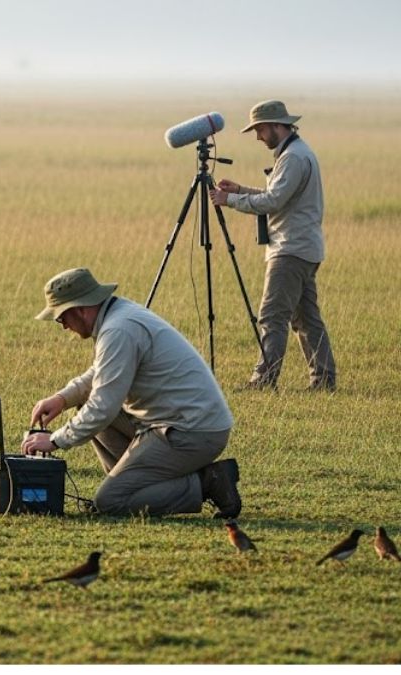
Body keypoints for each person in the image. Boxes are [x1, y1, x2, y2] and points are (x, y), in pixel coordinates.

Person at [20, 268, 242, 518]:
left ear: (80, 308)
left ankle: (208, 481)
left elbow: (103, 407)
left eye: (62, 319)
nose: (63, 327)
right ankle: (136, 485)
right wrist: (63, 398)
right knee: (85, 404)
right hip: (173, 423)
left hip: (191, 432)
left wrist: (55, 440)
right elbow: (102, 374)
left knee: (110, 502)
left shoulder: (118, 330)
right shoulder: (118, 316)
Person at [209, 99, 336, 391]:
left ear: (278, 125)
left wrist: (230, 200)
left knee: (271, 315)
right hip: (303, 247)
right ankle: (324, 379)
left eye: (261, 129)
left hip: (290, 249)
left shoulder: (292, 158)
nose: (258, 136)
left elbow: (273, 201)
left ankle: (264, 381)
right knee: (306, 319)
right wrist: (240, 190)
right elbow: (278, 196)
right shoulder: (295, 152)